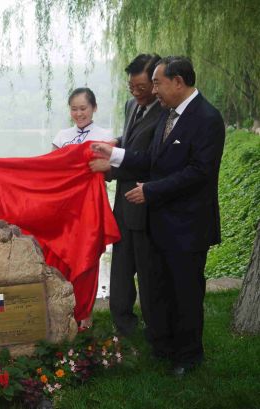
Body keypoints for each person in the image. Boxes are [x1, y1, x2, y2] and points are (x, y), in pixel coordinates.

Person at [90, 56, 225, 376]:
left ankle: (189, 357)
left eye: (157, 83)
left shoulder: (207, 118)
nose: (154, 90)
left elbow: (199, 173)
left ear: (178, 82)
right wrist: (114, 153)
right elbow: (151, 158)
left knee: (187, 293)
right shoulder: (169, 114)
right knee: (163, 290)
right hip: (162, 223)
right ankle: (165, 348)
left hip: (189, 226)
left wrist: (151, 191)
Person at [90, 53, 163, 336]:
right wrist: (114, 143)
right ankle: (123, 325)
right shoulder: (132, 104)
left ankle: (155, 328)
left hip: (147, 205)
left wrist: (112, 165)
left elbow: (150, 159)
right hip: (123, 204)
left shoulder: (166, 112)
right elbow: (130, 142)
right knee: (120, 269)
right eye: (131, 87)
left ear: (156, 83)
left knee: (147, 273)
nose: (135, 92)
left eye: (141, 88)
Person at [52, 87, 113, 330]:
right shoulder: (61, 136)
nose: (79, 113)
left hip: (89, 208)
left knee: (87, 255)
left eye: (83, 108)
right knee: (62, 256)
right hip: (64, 208)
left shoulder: (105, 136)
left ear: (94, 108)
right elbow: (50, 170)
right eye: (74, 109)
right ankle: (61, 308)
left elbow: (109, 170)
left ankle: (84, 313)